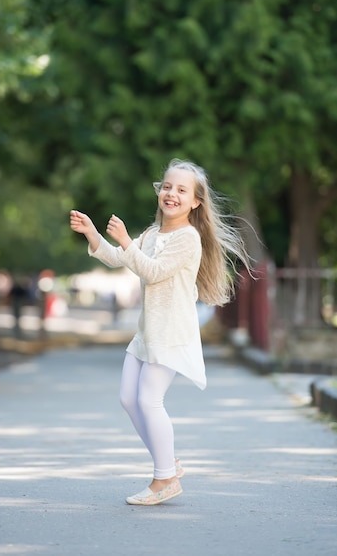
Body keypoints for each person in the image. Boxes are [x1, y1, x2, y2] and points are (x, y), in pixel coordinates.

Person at [69, 158, 251, 506]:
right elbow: (121, 258)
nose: (172, 194)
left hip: (170, 332)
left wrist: (126, 240)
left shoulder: (188, 238)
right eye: (167, 186)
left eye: (182, 190)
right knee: (128, 398)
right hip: (147, 332)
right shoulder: (154, 234)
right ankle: (167, 462)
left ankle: (164, 478)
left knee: (149, 400)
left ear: (196, 202)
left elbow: (151, 271)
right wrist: (93, 234)